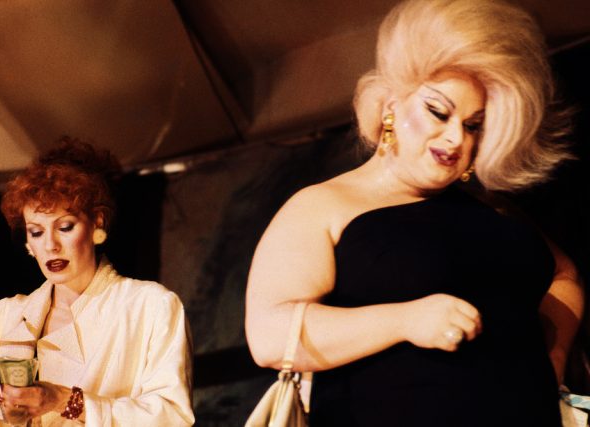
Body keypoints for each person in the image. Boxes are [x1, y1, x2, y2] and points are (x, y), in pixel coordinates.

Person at [245, 0, 585, 425]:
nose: (455, 137)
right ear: (391, 104)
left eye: (474, 125)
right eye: (438, 112)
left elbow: (563, 276)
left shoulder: (496, 211)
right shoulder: (324, 206)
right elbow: (269, 336)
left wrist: (553, 357)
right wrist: (405, 320)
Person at [0, 138, 194, 426]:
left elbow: (173, 417)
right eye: (36, 232)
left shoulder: (150, 306)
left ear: (97, 223)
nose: (50, 245)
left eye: (65, 227)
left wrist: (64, 400)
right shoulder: (6, 316)